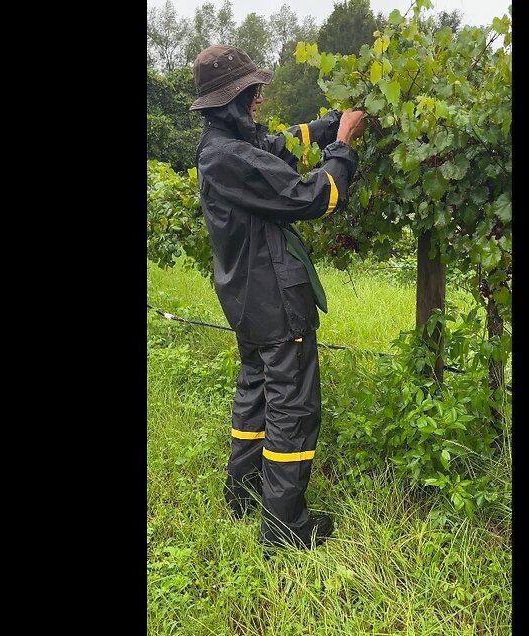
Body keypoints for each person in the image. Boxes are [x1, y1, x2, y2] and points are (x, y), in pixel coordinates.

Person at [189, 44, 367, 549]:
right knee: (291, 406)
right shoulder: (231, 157)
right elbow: (314, 198)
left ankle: (243, 494)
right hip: (277, 301)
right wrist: (344, 148)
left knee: (256, 394)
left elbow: (275, 146)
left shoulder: (221, 147)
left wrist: (327, 125)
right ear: (235, 99)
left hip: (246, 301)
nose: (260, 99)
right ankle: (285, 526)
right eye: (253, 92)